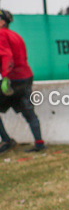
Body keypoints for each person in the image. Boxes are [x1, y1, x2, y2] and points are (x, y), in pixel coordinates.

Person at [0, 9, 46, 153]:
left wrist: (5, 76)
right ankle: (39, 142)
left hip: (13, 79)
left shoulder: (1, 34)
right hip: (26, 76)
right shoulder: (16, 35)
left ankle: (7, 141)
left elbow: (6, 56)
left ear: (2, 22)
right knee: (28, 111)